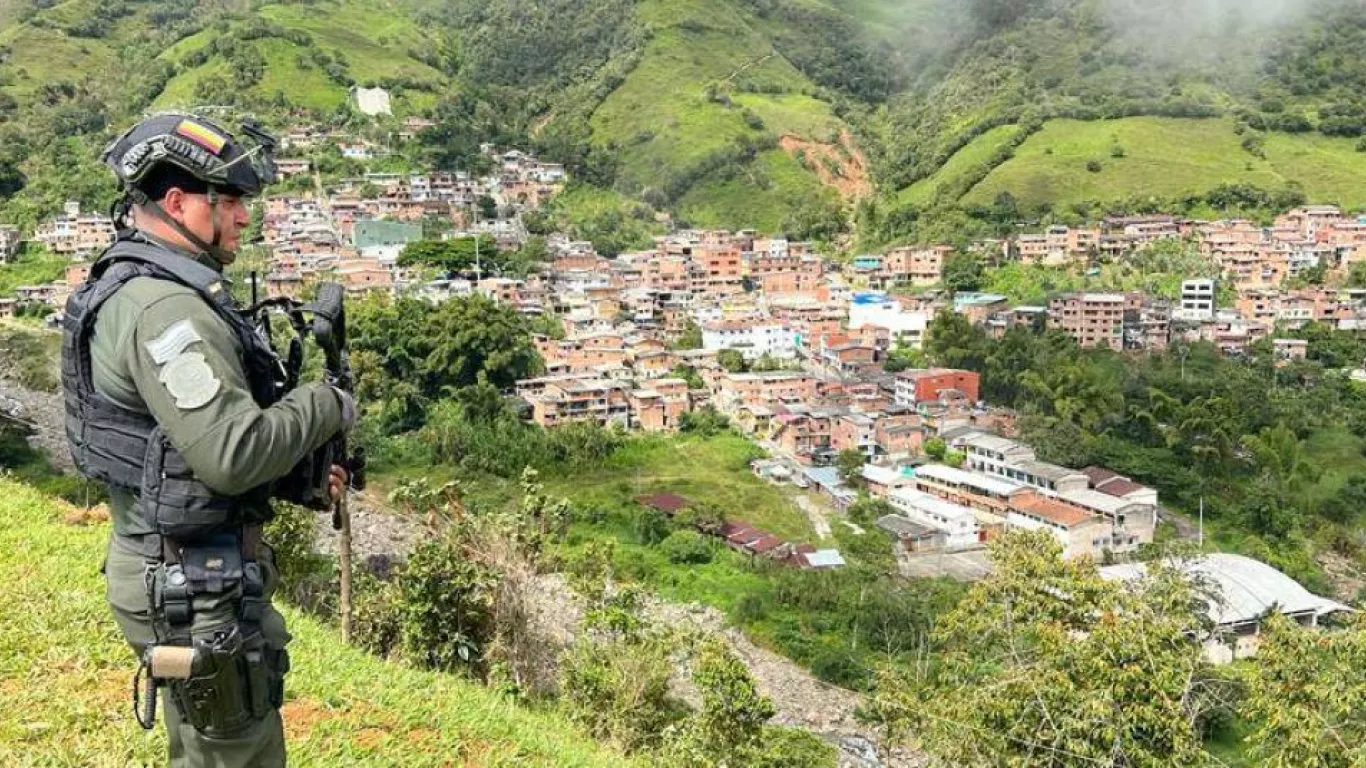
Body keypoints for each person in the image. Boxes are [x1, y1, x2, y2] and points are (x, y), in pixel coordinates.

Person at [60, 112, 353, 767]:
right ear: (178, 204)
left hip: (185, 573)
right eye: (231, 202)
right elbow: (229, 453)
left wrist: (293, 474)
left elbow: (176, 444)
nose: (244, 218)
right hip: (195, 590)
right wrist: (326, 404)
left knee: (201, 751)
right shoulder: (166, 310)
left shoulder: (148, 288)